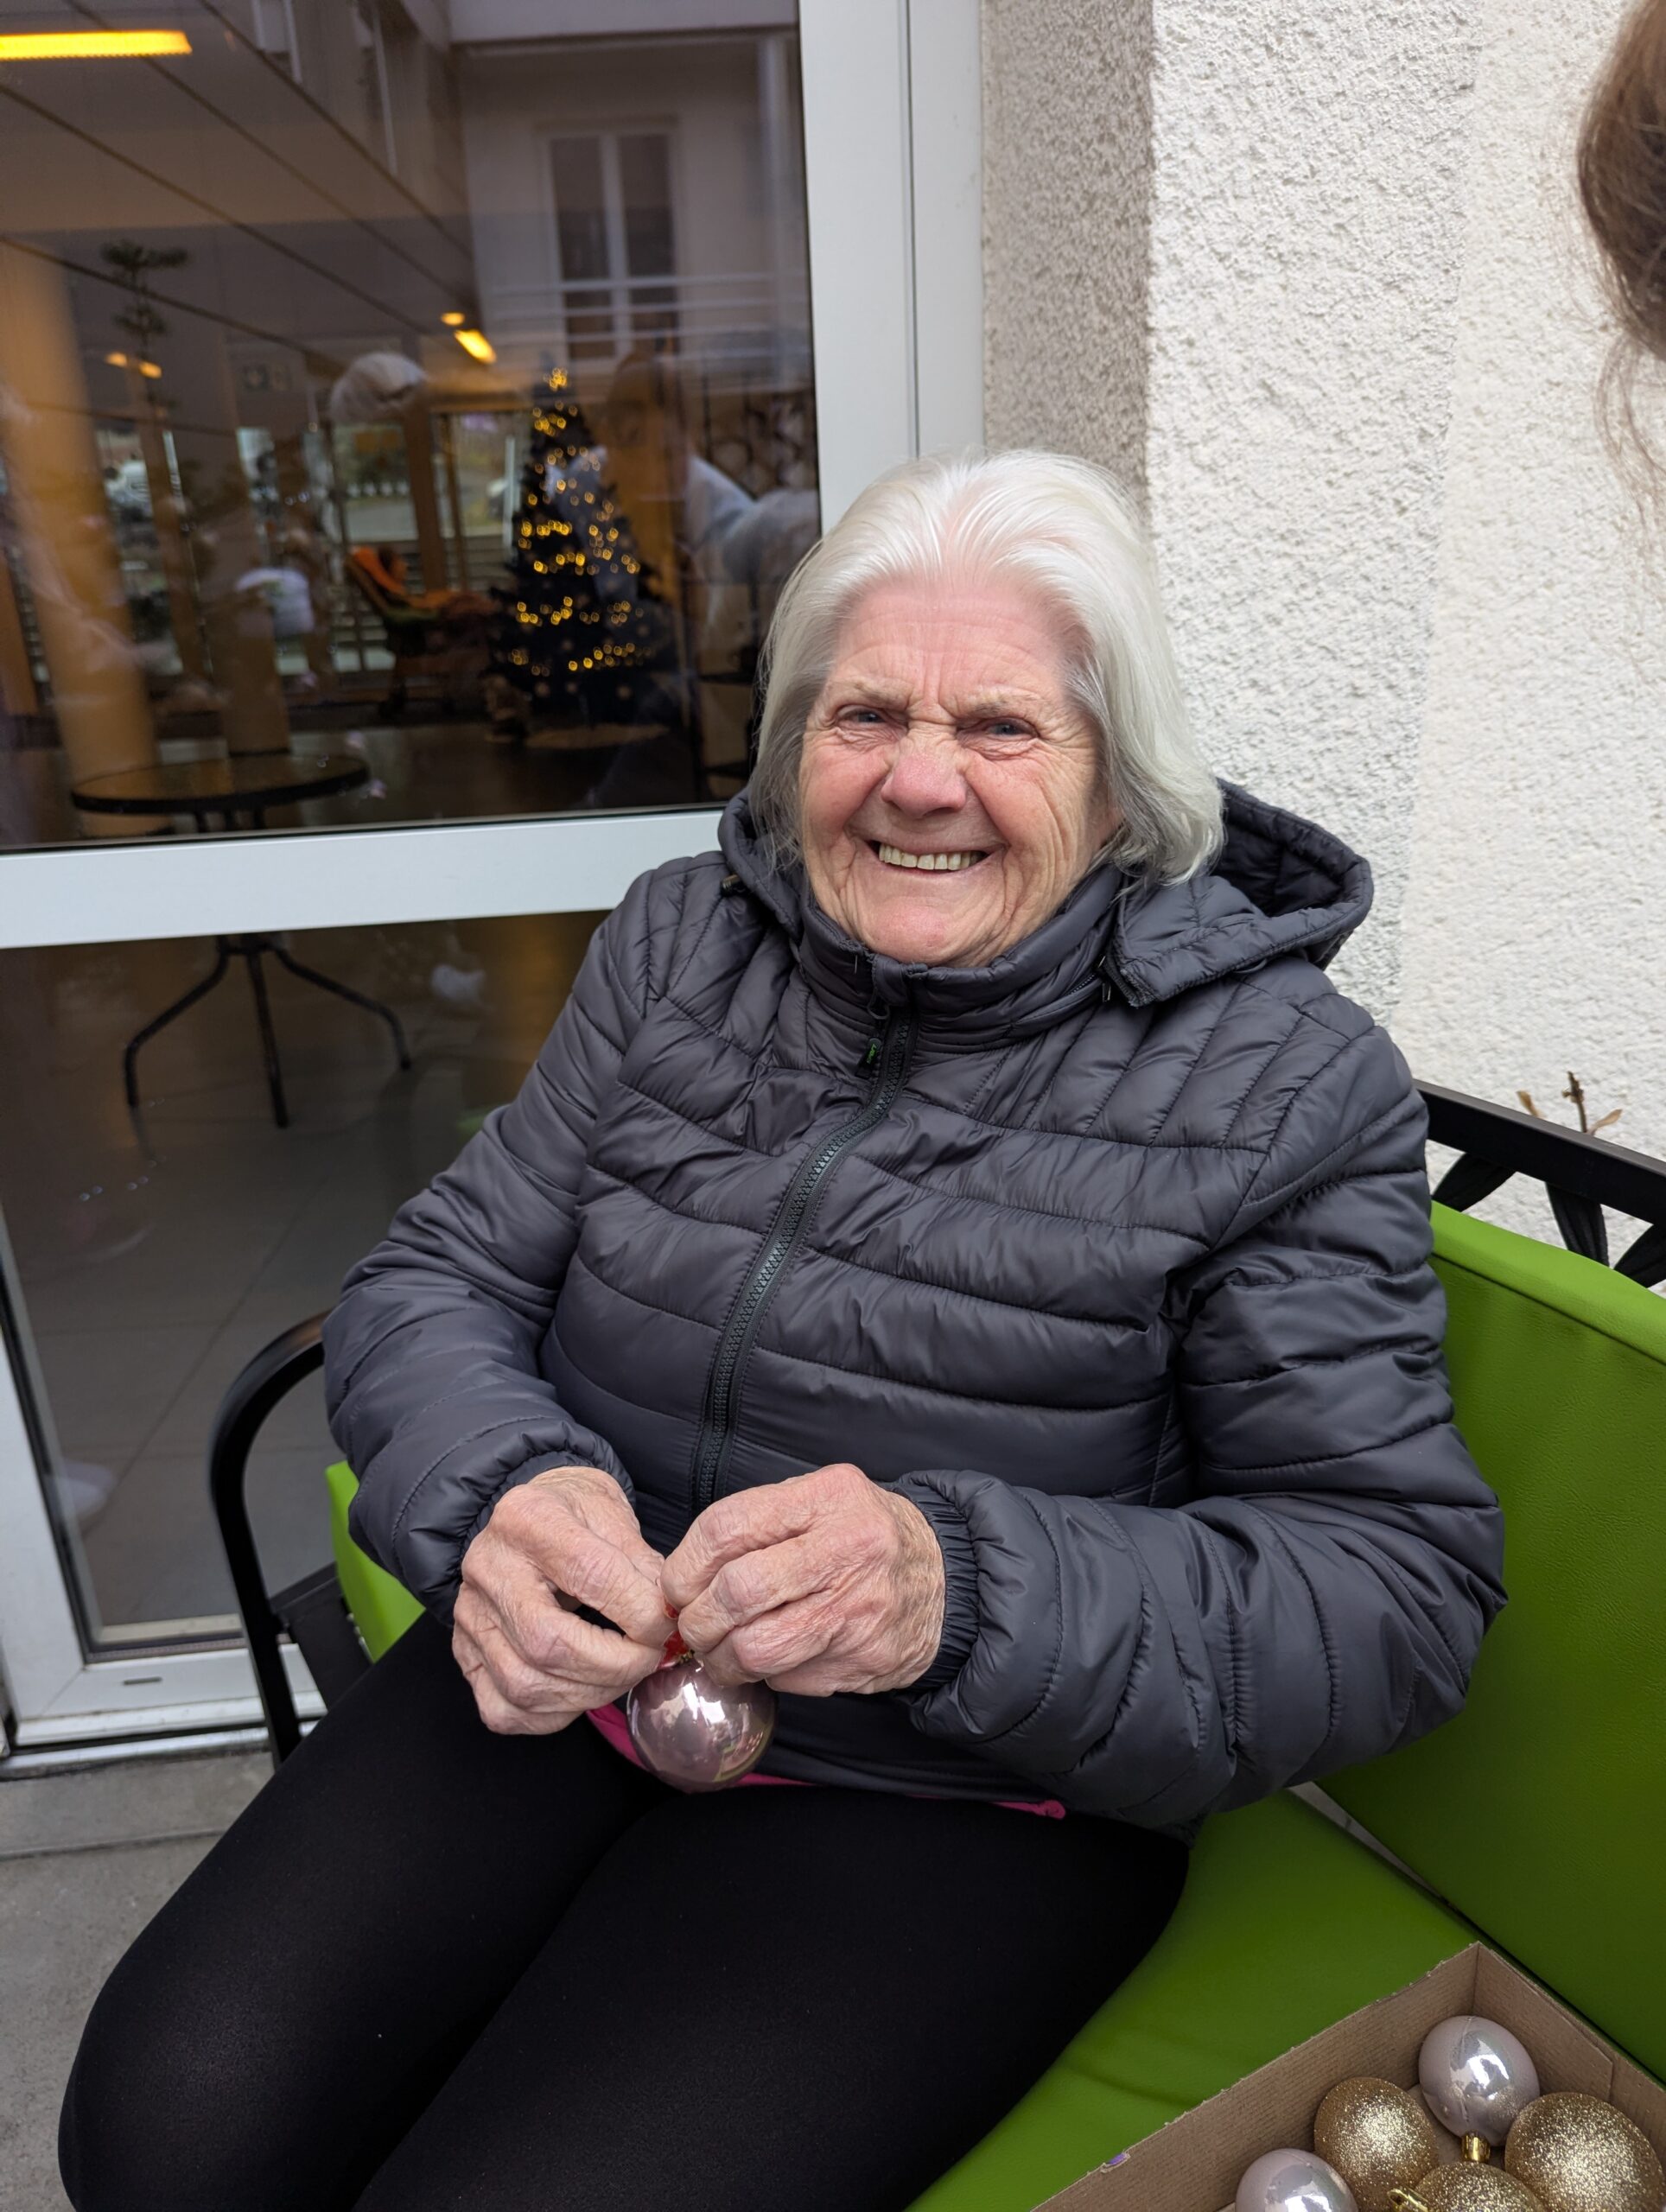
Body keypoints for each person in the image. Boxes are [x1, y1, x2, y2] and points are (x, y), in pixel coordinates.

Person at [60, 450, 1505, 2212]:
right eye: (863, 712)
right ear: (794, 738)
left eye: (1000, 726)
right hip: (575, 1680)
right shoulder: (685, 944)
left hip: (956, 1793)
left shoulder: (1281, 1084)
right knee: (162, 2128)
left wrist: (951, 1591)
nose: (918, 778)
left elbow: (1391, 1588)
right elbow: (436, 1274)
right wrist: (500, 1488)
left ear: (1118, 776)